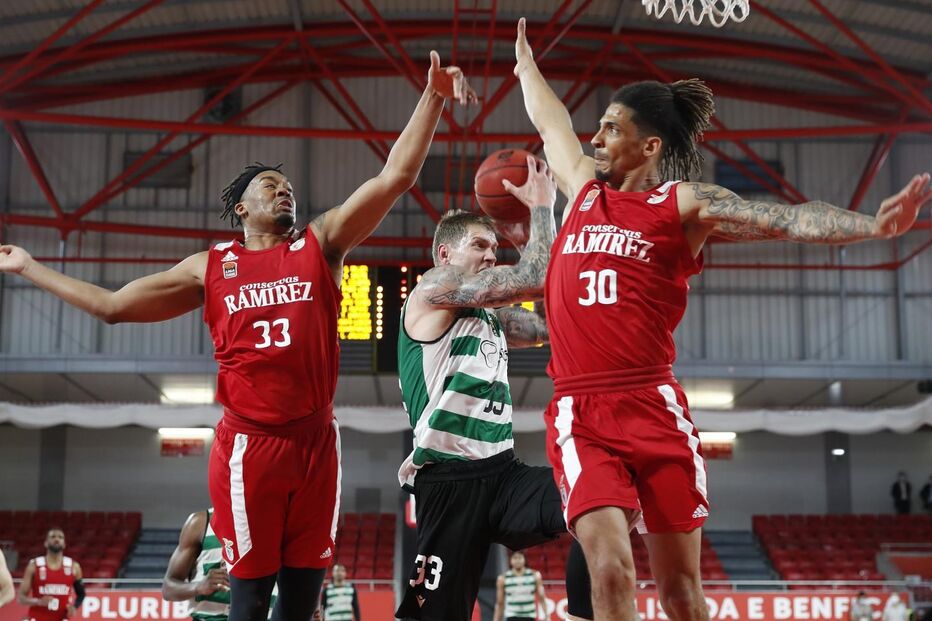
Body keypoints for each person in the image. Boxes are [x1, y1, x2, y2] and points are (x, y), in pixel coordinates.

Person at [0, 53, 475, 621]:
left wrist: (433, 97)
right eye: (271, 186)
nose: (284, 192)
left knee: (300, 603)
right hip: (250, 447)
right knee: (247, 602)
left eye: (288, 188)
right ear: (242, 208)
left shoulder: (320, 244)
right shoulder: (210, 266)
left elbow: (394, 176)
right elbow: (112, 307)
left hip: (317, 441)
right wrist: (29, 266)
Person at [512, 16, 931, 621]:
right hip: (582, 410)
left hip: (653, 405)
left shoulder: (682, 203)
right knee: (609, 570)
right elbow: (548, 119)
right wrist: (526, 66)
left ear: (649, 147)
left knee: (682, 594)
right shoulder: (582, 189)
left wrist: (873, 225)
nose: (595, 138)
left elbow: (785, 219)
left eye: (611, 128)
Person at [394, 161, 591, 621]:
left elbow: (549, 324)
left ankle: (584, 614)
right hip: (448, 480)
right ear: (445, 253)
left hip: (503, 473)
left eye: (494, 247)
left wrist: (524, 242)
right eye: (480, 245)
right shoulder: (432, 288)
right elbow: (534, 278)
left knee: (596, 502)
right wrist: (542, 209)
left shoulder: (490, 317)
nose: (489, 255)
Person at [162, 508, 278, 621]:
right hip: (209, 617)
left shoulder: (276, 521)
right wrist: (198, 587)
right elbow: (168, 589)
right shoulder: (200, 522)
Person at [17, 529, 85, 621]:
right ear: (46, 543)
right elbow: (21, 598)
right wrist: (38, 601)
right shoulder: (34, 566)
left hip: (61, 618)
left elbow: (81, 594)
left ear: (64, 544)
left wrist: (74, 607)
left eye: (60, 537)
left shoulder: (74, 567)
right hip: (37, 618)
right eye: (53, 537)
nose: (57, 539)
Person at [494, 551, 546, 621]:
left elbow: (541, 597)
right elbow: (500, 603)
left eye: (520, 557)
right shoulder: (503, 578)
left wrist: (547, 616)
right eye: (515, 558)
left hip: (529, 616)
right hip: (512, 617)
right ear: (510, 560)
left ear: (524, 559)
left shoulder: (535, 576)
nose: (517, 560)